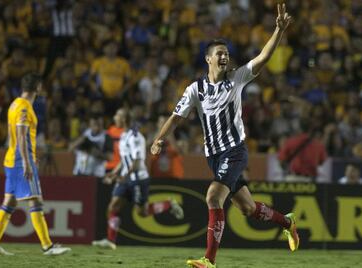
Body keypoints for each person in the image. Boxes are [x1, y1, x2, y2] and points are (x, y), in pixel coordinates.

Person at [151, 4, 298, 268]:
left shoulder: (237, 78)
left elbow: (263, 57)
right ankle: (287, 222)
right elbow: (175, 116)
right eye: (220, 53)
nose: (224, 57)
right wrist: (159, 138)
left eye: (227, 54)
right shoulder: (196, 89)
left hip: (235, 150)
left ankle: (208, 260)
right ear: (208, 58)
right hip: (214, 157)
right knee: (248, 209)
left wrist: (278, 30)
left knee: (213, 197)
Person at [0, 73, 71, 255]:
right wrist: (26, 161)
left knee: (9, 201)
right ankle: (47, 246)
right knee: (35, 199)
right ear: (38, 87)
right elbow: (22, 136)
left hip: (11, 158)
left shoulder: (15, 103)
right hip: (19, 159)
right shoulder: (24, 108)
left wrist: (30, 156)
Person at [92, 108, 184, 249]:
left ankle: (169, 204)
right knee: (113, 206)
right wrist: (114, 173)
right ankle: (111, 241)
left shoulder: (135, 137)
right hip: (126, 178)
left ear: (124, 119)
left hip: (138, 179)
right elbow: (125, 160)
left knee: (142, 212)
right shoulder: (123, 136)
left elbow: (137, 161)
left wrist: (123, 176)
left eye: (117, 115)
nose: (115, 117)